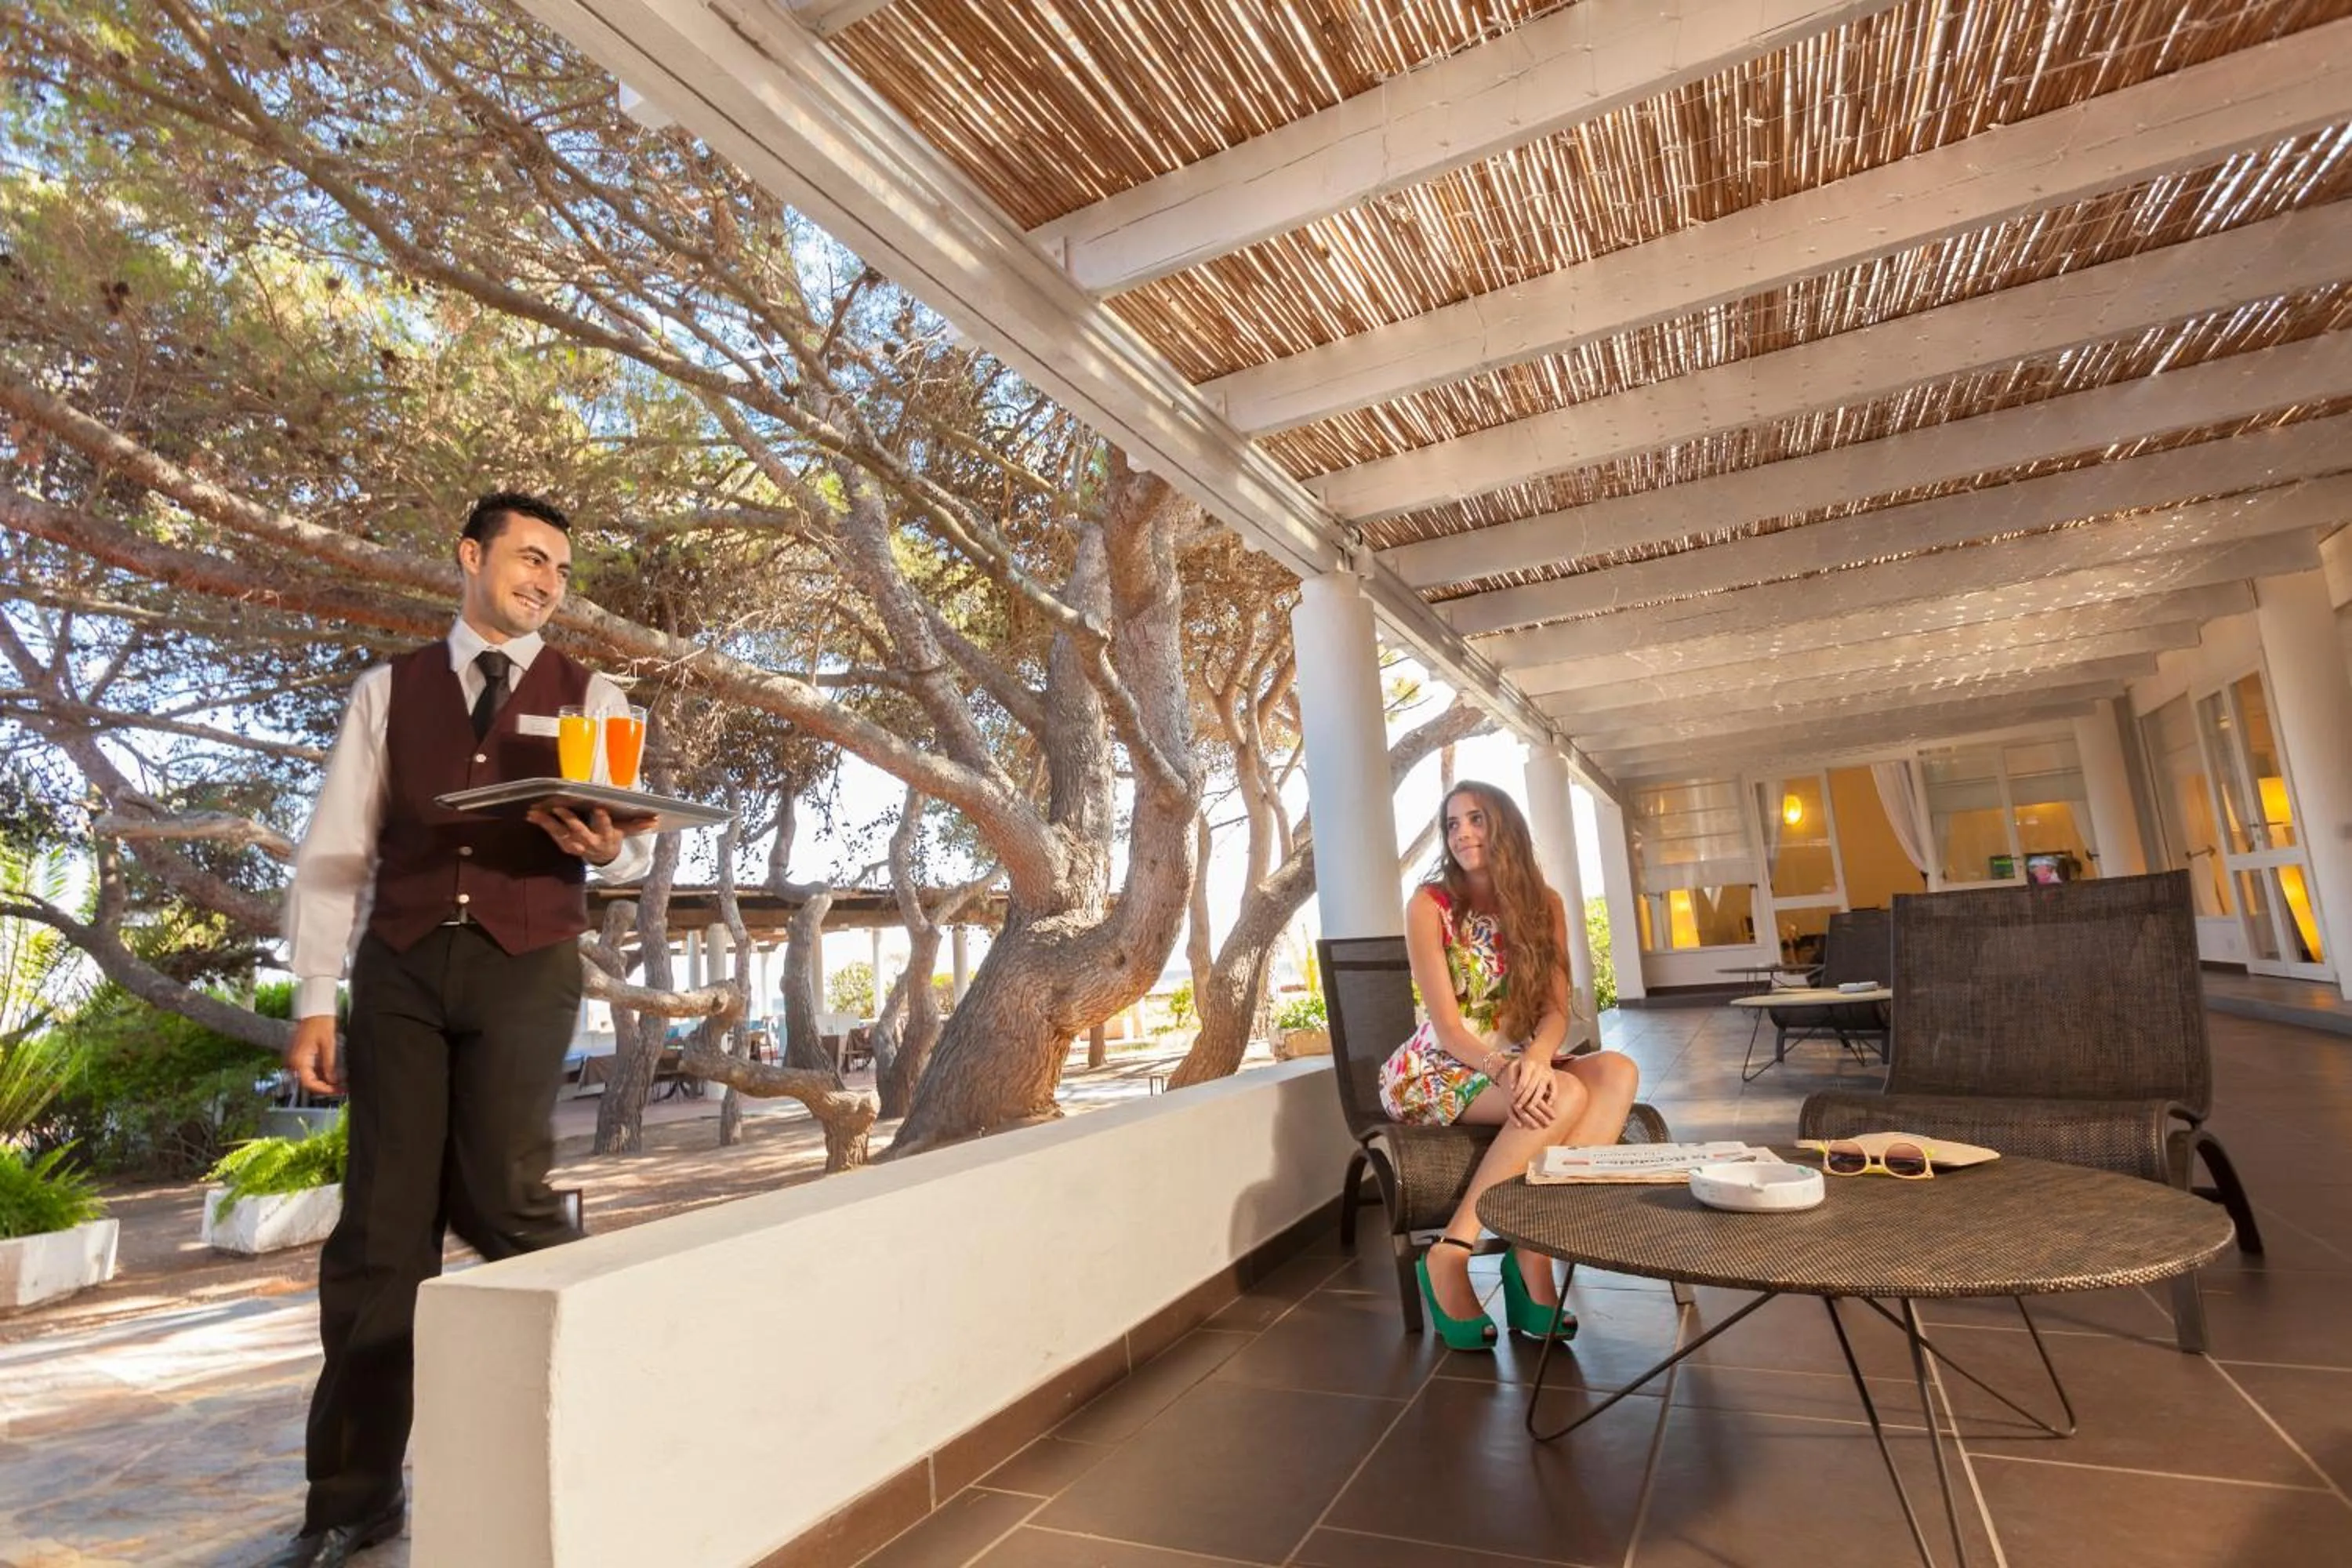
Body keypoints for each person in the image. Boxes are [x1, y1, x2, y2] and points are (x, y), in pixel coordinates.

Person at [270, 492, 654, 1566]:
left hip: (527, 965)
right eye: (531, 558)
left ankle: (624, 1416)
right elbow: (339, 847)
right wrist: (313, 995)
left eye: (562, 570)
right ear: (471, 555)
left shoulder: (598, 693)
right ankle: (352, 1501)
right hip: (399, 968)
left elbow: (627, 849)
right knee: (379, 1234)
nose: (547, 581)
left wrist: (606, 845)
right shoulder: (386, 692)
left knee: (504, 1198)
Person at [1377, 781, 1641, 1351]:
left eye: (1477, 818)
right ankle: (1452, 1253)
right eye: (1452, 824)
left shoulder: (1544, 904)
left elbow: (1554, 1010)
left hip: (1520, 1055)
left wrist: (1540, 1059)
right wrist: (1506, 1069)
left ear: (1507, 827)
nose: (1464, 833)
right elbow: (1448, 1028)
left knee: (1617, 1071)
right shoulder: (1431, 905)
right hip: (1441, 1063)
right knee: (1565, 1097)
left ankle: (1530, 1254)